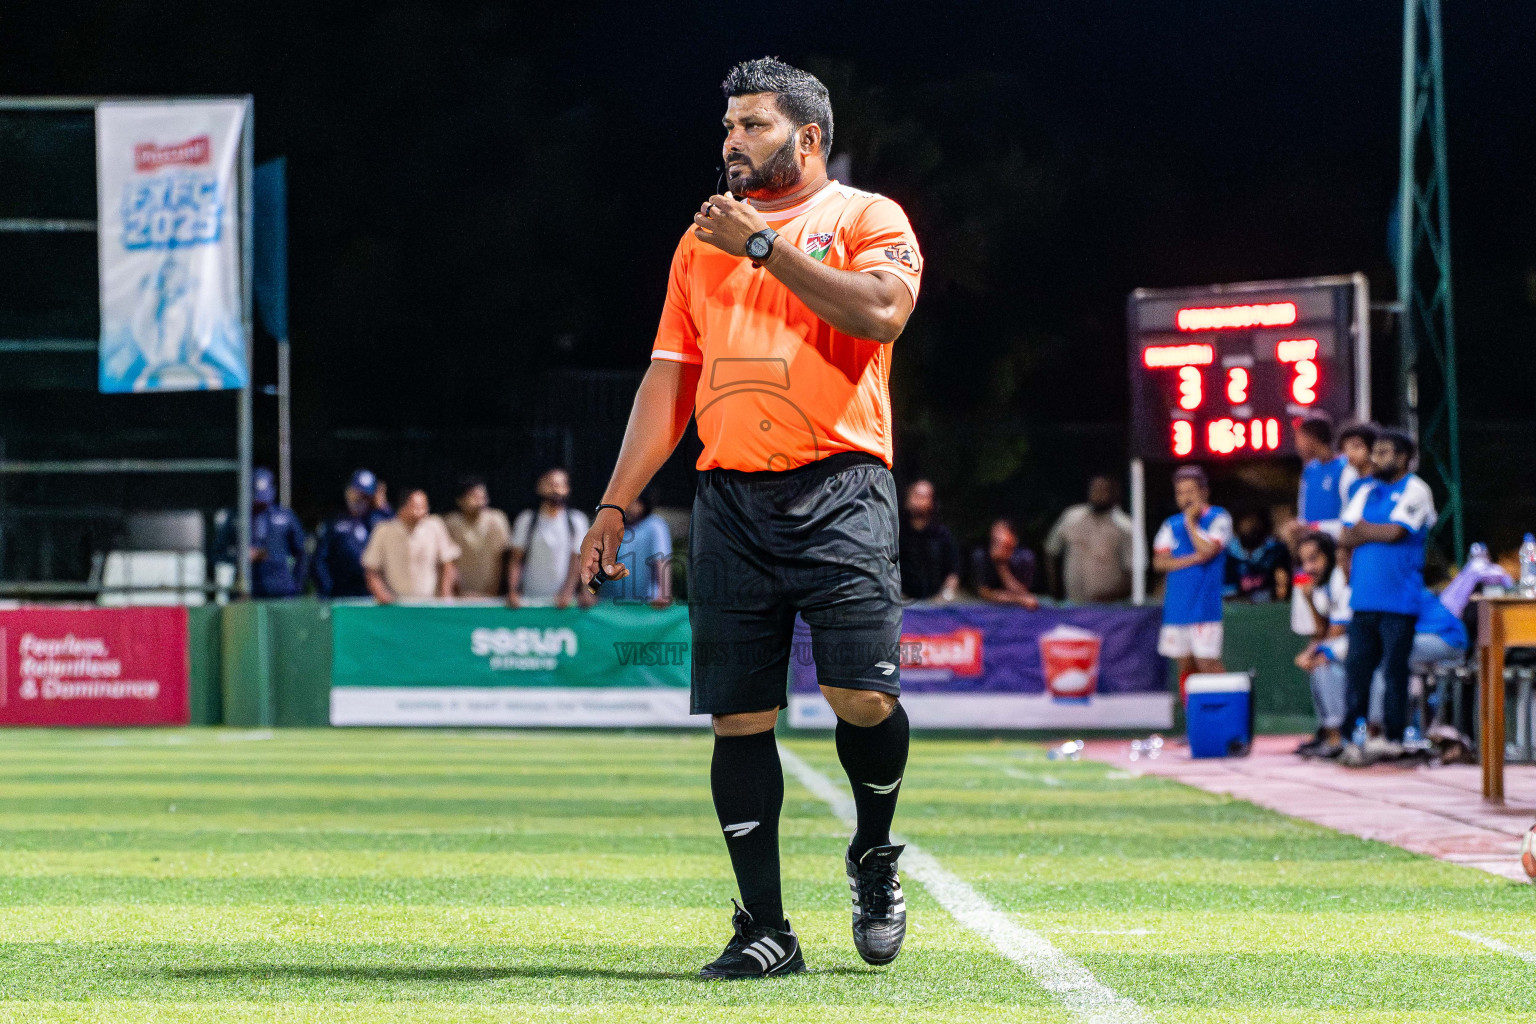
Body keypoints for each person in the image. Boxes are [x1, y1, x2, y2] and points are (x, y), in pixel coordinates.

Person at [576, 58, 923, 979]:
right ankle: (764, 929)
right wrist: (617, 501)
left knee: (864, 697)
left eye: (755, 125)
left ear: (808, 138)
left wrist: (765, 248)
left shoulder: (865, 218)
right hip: (729, 494)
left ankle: (875, 855)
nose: (733, 141)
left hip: (843, 483)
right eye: (728, 126)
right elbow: (670, 379)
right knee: (738, 716)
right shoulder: (699, 244)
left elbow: (883, 314)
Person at [1337, 427, 1436, 766]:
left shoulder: (1417, 490)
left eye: (1384, 452)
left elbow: (1395, 532)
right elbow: (1345, 537)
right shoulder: (1365, 490)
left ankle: (1394, 739)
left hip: (1399, 601)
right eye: (1374, 451)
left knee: (1395, 673)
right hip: (1363, 599)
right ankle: (1352, 739)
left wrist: (1363, 530)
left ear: (1404, 458)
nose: (1376, 458)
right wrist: (1363, 532)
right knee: (1357, 672)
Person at [1153, 465, 1231, 682]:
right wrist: (1196, 558)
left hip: (1204, 608)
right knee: (1185, 666)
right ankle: (1193, 714)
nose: (1185, 497)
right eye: (1180, 492)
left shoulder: (1219, 518)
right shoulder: (1170, 525)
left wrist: (1190, 522)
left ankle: (1225, 711)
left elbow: (1208, 550)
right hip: (1177, 608)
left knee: (1207, 662)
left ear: (1204, 492)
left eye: (1190, 491)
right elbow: (1160, 563)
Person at [1292, 531, 1352, 759]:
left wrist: (1311, 654)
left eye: (1314, 559)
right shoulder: (1322, 585)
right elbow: (1321, 631)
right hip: (1346, 645)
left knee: (1323, 664)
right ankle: (1327, 734)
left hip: (1364, 644)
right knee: (1317, 661)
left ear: (1329, 556)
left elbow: (1336, 632)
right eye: (1304, 561)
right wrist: (1308, 601)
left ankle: (1337, 738)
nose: (1308, 567)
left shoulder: (1340, 578)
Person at [214, 467, 308, 598]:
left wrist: (296, 585)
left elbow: (302, 552)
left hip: (280, 589)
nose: (260, 503)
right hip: (247, 589)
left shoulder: (285, 516)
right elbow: (217, 552)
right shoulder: (236, 517)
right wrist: (241, 557)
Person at [508, 467, 592, 609]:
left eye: (561, 485)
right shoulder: (527, 520)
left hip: (563, 604)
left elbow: (577, 561)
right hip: (528, 600)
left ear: (567, 489)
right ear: (540, 487)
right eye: (551, 484)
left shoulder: (577, 521)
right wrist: (512, 592)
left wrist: (567, 593)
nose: (556, 490)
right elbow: (516, 560)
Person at [1043, 475, 1133, 604]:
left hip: (1110, 609)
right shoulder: (1072, 517)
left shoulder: (1125, 526)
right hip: (1072, 604)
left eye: (1103, 489)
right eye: (1094, 489)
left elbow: (1132, 570)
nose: (1098, 494)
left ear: (1114, 494)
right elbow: (1051, 551)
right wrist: (1055, 590)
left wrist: (1115, 594)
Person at [361, 487, 460, 603]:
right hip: (395, 607)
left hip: (429, 604)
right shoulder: (383, 531)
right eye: (417, 507)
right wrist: (382, 595)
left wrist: (446, 596)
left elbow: (448, 563)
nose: (422, 512)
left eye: (424, 507)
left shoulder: (435, 526)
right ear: (402, 508)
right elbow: (371, 569)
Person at [312, 469, 393, 598]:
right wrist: (326, 588)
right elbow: (319, 559)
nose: (359, 499)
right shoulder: (334, 522)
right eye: (356, 493)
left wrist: (383, 507)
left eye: (365, 496)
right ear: (348, 491)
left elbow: (397, 536)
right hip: (341, 593)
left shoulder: (378, 520)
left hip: (373, 593)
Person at [601, 488, 672, 607]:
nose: (627, 506)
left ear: (643, 503)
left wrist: (664, 593)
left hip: (647, 604)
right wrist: (590, 593)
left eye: (632, 502)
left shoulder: (655, 526)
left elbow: (662, 561)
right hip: (612, 604)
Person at [444, 475, 512, 598]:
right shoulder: (451, 523)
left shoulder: (496, 520)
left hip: (492, 593)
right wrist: (457, 591)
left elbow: (503, 559)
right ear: (460, 500)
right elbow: (448, 562)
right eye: (474, 497)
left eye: (483, 497)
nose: (480, 502)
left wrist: (494, 591)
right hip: (461, 594)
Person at [898, 479, 960, 601]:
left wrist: (945, 597)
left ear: (932, 502)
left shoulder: (943, 535)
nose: (919, 500)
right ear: (907, 499)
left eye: (924, 496)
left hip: (934, 605)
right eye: (916, 495)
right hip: (902, 605)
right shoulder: (896, 532)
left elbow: (954, 571)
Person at [1291, 412, 1348, 539]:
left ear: (1312, 438)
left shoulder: (1345, 468)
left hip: (1337, 547)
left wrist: (1314, 528)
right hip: (1312, 547)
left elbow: (1349, 521)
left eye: (1299, 438)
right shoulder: (1309, 470)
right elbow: (1303, 515)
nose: (1297, 445)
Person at [1224, 507, 1289, 603]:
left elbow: (1282, 585)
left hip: (1269, 605)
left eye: (1255, 522)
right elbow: (1227, 591)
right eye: (1246, 522)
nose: (1250, 526)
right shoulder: (1228, 553)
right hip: (1237, 606)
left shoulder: (1276, 550)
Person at [972, 518, 1040, 609]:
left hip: (1016, 606)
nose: (997, 537)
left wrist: (1002, 565)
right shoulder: (981, 555)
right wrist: (1018, 600)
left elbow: (1022, 592)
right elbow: (984, 593)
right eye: (994, 541)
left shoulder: (1024, 557)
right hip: (988, 607)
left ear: (1014, 540)